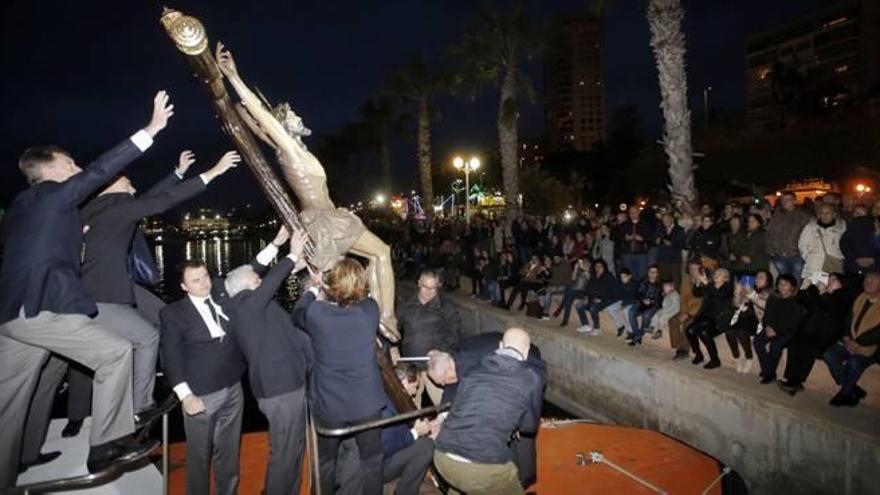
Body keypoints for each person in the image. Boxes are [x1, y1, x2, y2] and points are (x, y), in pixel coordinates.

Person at [0, 91, 172, 487]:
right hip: (40, 309)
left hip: (12, 316)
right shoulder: (54, 195)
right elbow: (100, 170)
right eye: (69, 163)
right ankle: (107, 444)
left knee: (11, 402)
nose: (75, 168)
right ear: (50, 170)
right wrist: (150, 131)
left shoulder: (20, 208)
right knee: (115, 352)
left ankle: (18, 463)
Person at [217, 44, 400, 341]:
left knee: (374, 259)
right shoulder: (290, 149)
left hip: (320, 219)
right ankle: (385, 316)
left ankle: (376, 312)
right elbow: (263, 117)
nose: (300, 119)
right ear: (285, 128)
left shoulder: (285, 152)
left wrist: (241, 108)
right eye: (294, 118)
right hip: (327, 220)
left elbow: (260, 126)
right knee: (382, 253)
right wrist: (234, 78)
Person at [62, 149, 241, 438]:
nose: (130, 183)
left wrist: (177, 172)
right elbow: (160, 201)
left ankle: (169, 371)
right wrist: (213, 172)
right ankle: (129, 407)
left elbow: (151, 198)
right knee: (109, 351)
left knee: (162, 315)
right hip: (100, 288)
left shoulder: (97, 207)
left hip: (118, 282)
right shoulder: (116, 207)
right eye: (125, 181)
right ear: (110, 187)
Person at [224, 229, 313, 495]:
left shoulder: (255, 306)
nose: (259, 278)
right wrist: (292, 253)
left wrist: (296, 266)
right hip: (279, 390)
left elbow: (272, 286)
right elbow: (271, 282)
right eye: (256, 277)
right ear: (248, 284)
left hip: (292, 383)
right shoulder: (241, 307)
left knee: (295, 447)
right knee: (284, 452)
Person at [294, 258, 386, 495]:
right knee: (372, 462)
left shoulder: (317, 314)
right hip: (366, 404)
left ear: (331, 286)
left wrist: (316, 286)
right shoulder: (370, 312)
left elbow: (298, 312)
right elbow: (364, 296)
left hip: (330, 404)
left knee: (326, 462)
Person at [159, 259, 248, 495]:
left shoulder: (221, 298)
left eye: (205, 276)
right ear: (184, 286)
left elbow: (250, 271)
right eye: (195, 280)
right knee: (199, 457)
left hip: (234, 388)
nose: (203, 283)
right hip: (202, 396)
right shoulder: (173, 314)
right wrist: (186, 396)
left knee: (229, 453)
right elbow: (170, 357)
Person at [433, 328, 545, 495]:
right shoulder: (531, 378)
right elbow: (528, 427)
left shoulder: (472, 372)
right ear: (527, 351)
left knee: (462, 483)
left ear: (500, 345)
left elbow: (460, 407)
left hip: (442, 458)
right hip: (483, 466)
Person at [336, 364, 434, 495]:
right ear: (404, 382)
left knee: (423, 443)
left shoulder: (382, 389)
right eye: (415, 387)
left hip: (360, 458)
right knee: (426, 446)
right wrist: (415, 432)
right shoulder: (386, 409)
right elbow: (381, 446)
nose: (415, 392)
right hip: (371, 468)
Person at [395, 269, 462, 406]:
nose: (429, 292)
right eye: (425, 287)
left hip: (435, 365)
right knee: (409, 405)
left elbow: (454, 335)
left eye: (433, 288)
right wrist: (393, 347)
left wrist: (441, 353)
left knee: (444, 404)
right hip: (411, 364)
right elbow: (393, 328)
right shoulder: (406, 304)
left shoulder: (447, 307)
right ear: (419, 283)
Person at [778, 273, 851, 396]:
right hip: (811, 331)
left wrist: (815, 292)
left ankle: (796, 382)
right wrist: (805, 288)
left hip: (826, 336)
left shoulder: (842, 297)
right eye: (829, 279)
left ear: (841, 285)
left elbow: (826, 308)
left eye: (833, 280)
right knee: (795, 342)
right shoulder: (824, 296)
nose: (829, 282)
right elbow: (804, 301)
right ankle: (791, 380)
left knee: (809, 347)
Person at [822, 271, 880, 406]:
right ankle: (852, 388)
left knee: (854, 363)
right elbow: (848, 322)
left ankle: (845, 393)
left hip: (871, 348)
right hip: (850, 342)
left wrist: (857, 345)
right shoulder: (860, 298)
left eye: (872, 280)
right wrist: (847, 339)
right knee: (828, 354)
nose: (868, 282)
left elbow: (877, 334)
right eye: (866, 279)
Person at [753, 274, 807, 384]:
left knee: (775, 345)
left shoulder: (796, 302)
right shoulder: (773, 297)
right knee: (758, 341)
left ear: (792, 287)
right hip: (770, 327)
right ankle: (769, 371)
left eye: (785, 284)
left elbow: (793, 322)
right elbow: (767, 315)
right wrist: (767, 327)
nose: (781, 286)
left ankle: (768, 373)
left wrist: (777, 331)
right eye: (780, 284)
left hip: (786, 331)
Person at [686, 267, 734, 369]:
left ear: (726, 278)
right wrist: (698, 282)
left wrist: (706, 282)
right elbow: (697, 293)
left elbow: (719, 295)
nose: (716, 274)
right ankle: (698, 354)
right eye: (716, 272)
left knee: (704, 333)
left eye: (720, 273)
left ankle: (715, 360)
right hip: (704, 317)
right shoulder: (710, 285)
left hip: (719, 320)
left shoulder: (728, 287)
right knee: (689, 330)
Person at [727, 270, 773, 374]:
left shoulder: (769, 292)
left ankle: (749, 357)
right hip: (746, 318)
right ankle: (736, 358)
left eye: (761, 277)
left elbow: (763, 305)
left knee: (742, 332)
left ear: (767, 281)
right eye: (756, 277)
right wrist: (737, 293)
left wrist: (751, 293)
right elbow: (737, 305)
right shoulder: (750, 289)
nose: (757, 279)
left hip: (760, 321)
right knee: (729, 332)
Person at [766, 192, 810, 281]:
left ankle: (795, 294)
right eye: (783, 200)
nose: (785, 202)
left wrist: (804, 253)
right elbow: (769, 232)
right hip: (779, 254)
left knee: (796, 280)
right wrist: (771, 250)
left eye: (788, 200)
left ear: (794, 201)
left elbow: (809, 235)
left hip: (797, 255)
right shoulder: (777, 215)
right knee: (784, 281)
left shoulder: (803, 216)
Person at [798, 202, 846, 283]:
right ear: (818, 215)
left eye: (828, 213)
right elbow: (802, 244)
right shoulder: (811, 227)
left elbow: (845, 245)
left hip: (833, 265)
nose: (825, 216)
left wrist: (839, 256)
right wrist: (809, 257)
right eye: (822, 213)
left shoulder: (841, 228)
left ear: (834, 214)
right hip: (814, 266)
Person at [668, 261, 704, 360]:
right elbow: (683, 297)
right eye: (691, 268)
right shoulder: (686, 279)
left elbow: (702, 302)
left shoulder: (703, 281)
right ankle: (679, 347)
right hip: (686, 309)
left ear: (700, 269)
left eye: (696, 268)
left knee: (686, 325)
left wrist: (688, 313)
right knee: (673, 321)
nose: (693, 271)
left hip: (698, 312)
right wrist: (683, 311)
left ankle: (684, 350)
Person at [575, 259, 619, 335]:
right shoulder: (593, 276)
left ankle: (597, 328)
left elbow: (613, 293)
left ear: (604, 267)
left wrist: (601, 299)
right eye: (596, 266)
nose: (598, 268)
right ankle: (585, 325)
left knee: (593, 308)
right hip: (592, 299)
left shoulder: (609, 276)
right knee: (579, 305)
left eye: (600, 266)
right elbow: (587, 288)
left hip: (604, 300)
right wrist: (586, 297)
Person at [627, 265, 663, 345]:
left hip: (653, 304)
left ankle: (637, 337)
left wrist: (651, 301)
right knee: (631, 312)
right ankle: (637, 335)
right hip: (642, 303)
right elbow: (638, 293)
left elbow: (660, 298)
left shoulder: (660, 284)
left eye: (655, 272)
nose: (653, 274)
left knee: (646, 315)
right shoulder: (643, 281)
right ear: (648, 273)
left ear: (657, 274)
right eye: (651, 272)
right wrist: (643, 300)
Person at [616, 206, 653, 281]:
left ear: (639, 212)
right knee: (629, 276)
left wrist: (642, 239)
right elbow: (618, 237)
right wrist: (626, 239)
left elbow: (651, 239)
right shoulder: (624, 225)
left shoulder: (644, 224)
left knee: (641, 275)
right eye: (631, 213)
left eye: (635, 212)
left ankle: (639, 291)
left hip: (641, 254)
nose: (633, 214)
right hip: (627, 254)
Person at [555, 256, 590, 327]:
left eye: (585, 263)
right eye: (582, 262)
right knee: (568, 299)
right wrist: (575, 269)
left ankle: (561, 307)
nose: (582, 264)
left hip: (581, 292)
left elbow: (587, 276)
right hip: (573, 290)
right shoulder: (579, 270)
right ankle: (565, 320)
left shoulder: (589, 272)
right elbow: (573, 278)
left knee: (568, 292)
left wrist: (583, 267)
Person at [655, 213, 685, 289]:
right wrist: (656, 241)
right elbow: (654, 240)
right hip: (662, 260)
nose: (665, 222)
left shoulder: (679, 230)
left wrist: (671, 244)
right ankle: (664, 299)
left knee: (676, 282)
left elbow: (682, 244)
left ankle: (676, 300)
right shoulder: (660, 229)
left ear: (672, 219)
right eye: (663, 221)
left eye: (667, 220)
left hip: (674, 261)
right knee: (664, 282)